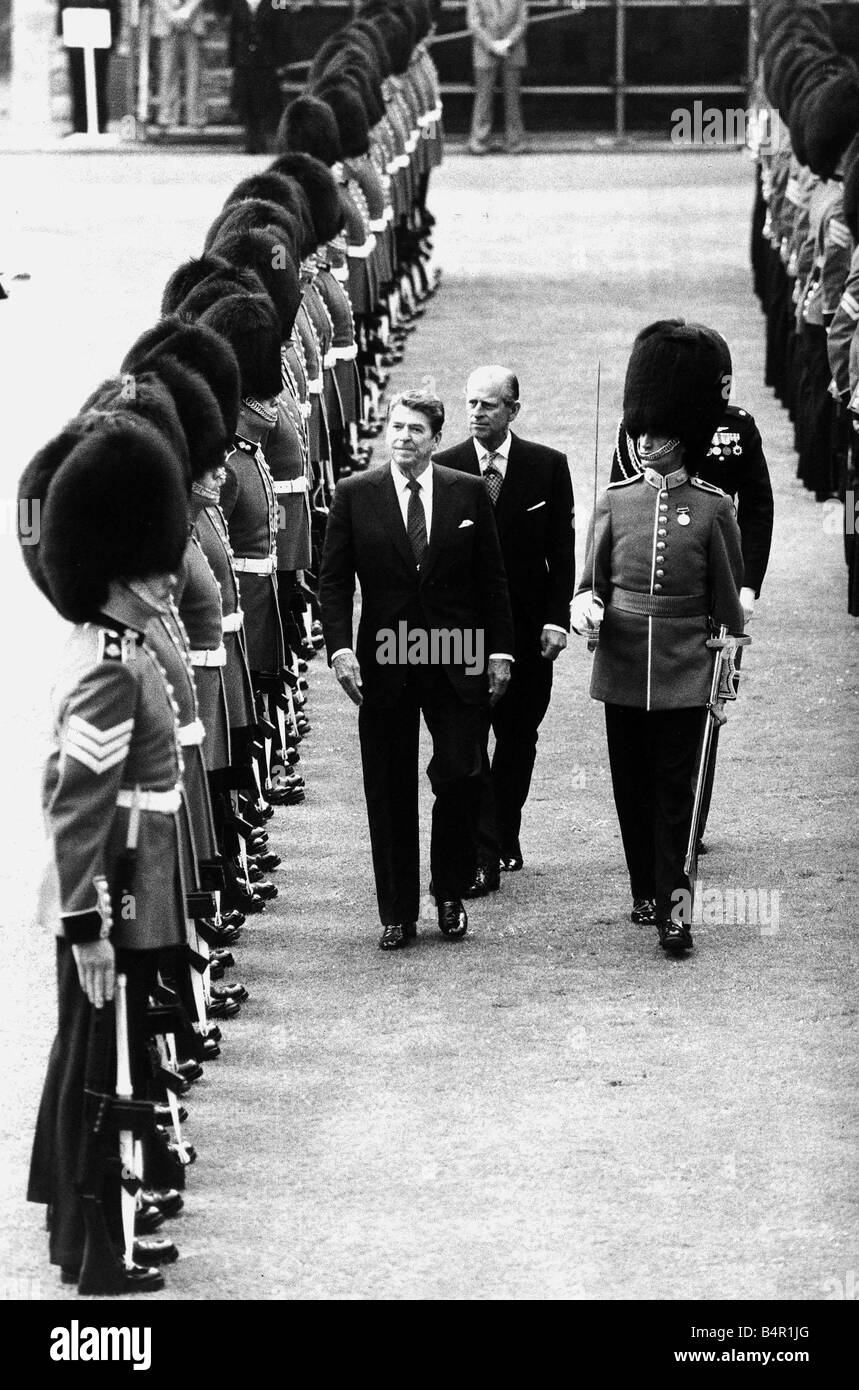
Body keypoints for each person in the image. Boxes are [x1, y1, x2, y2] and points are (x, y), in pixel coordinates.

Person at [20, 416, 190, 1292]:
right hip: (112, 890)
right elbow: (77, 805)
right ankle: (99, 1255)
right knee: (103, 1070)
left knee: (97, 1056)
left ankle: (84, 1231)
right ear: (120, 572)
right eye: (155, 565)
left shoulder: (116, 646)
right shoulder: (109, 667)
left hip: (131, 879)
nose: (170, 576)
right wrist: (88, 922)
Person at [572, 322, 745, 957]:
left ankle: (678, 911)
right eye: (643, 435)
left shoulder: (712, 507)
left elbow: (727, 605)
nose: (648, 446)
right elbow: (590, 580)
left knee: (676, 795)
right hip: (622, 661)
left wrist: (724, 671)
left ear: (686, 440)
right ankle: (644, 887)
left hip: (685, 664)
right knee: (632, 785)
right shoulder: (616, 501)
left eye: (662, 436)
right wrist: (586, 607)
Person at [319, 389, 515, 950]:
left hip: (456, 656)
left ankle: (449, 889)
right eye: (396, 428)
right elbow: (334, 582)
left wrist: (500, 650)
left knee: (461, 773)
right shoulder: (356, 495)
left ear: (435, 439)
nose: (403, 438)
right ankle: (397, 911)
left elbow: (492, 579)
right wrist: (339, 650)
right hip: (385, 659)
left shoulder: (468, 492)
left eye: (415, 431)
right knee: (388, 784)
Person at [434, 365, 574, 886]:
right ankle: (481, 847)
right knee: (468, 740)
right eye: (471, 403)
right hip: (465, 632)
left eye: (488, 405)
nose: (476, 413)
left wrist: (557, 620)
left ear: (513, 410)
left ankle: (504, 831)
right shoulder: (444, 468)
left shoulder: (547, 467)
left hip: (528, 631)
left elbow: (561, 553)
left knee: (517, 740)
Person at [465, 0, 528, 156]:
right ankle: (479, 141)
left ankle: (515, 141)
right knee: (483, 98)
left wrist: (507, 42)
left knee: (513, 99)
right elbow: (474, 23)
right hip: (484, 50)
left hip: (512, 51)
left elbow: (522, 22)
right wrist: (492, 45)